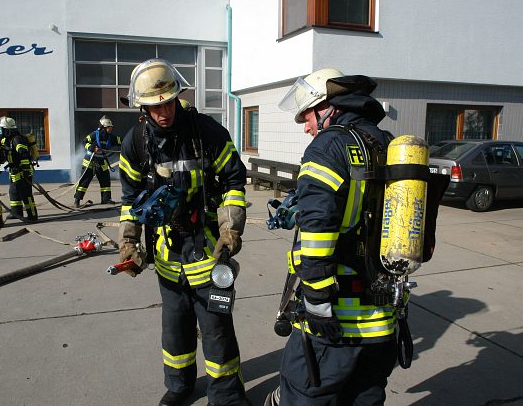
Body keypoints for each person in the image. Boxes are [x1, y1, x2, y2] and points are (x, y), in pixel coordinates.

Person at [117, 59, 250, 406]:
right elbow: (131, 200)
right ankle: (179, 387)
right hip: (168, 256)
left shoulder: (207, 132)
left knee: (217, 331)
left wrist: (230, 230)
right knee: (175, 330)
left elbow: (234, 182)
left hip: (209, 251)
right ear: (142, 108)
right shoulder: (135, 142)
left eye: (168, 103)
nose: (163, 112)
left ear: (177, 96)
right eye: (154, 106)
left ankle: (226, 396)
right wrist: (128, 243)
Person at [267, 68, 398, 405]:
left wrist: (317, 301)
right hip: (383, 317)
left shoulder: (328, 146)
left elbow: (318, 230)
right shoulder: (387, 143)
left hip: (337, 318)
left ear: (326, 108)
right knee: (366, 397)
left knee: (304, 395)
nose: (306, 126)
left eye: (307, 116)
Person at [0, 116, 38, 222]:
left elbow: (24, 155)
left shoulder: (17, 139)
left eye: (2, 129)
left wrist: (23, 169)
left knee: (26, 195)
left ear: (7, 129)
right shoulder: (8, 140)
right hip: (14, 171)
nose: (0, 131)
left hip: (23, 171)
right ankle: (16, 213)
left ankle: (32, 216)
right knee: (14, 192)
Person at [74, 115, 122, 207]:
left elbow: (122, 141)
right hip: (90, 161)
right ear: (104, 127)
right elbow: (84, 142)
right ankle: (77, 200)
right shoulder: (94, 135)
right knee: (84, 181)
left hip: (101, 161)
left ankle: (106, 199)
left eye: (111, 127)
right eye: (109, 127)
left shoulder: (111, 137)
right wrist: (91, 147)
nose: (111, 129)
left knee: (105, 180)